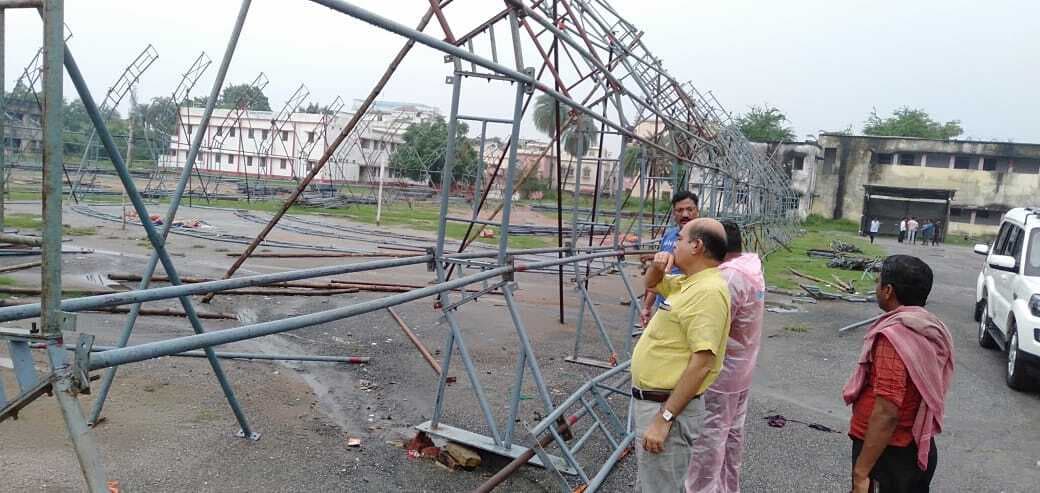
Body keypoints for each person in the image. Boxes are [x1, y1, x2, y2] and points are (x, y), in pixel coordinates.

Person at [633, 218, 731, 492]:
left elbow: (702, 364)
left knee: (661, 486)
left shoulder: (708, 292)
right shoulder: (688, 282)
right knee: (652, 484)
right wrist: (658, 265)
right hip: (654, 403)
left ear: (696, 246)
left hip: (666, 409)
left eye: (680, 239)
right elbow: (652, 285)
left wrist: (664, 419)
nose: (674, 244)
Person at [843, 255, 954, 493]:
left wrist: (861, 471)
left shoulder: (895, 337)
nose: (876, 287)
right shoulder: (927, 325)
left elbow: (887, 412)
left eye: (878, 282)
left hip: (890, 454)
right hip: (910, 448)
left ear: (888, 290)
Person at [687, 221, 765, 493]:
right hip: (741, 370)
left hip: (721, 375)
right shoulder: (751, 266)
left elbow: (711, 328)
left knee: (710, 440)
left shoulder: (729, 278)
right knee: (731, 436)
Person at [640, 191, 699, 327]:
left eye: (689, 209)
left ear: (697, 211)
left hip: (688, 308)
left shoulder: (705, 239)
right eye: (680, 210)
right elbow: (658, 273)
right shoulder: (669, 235)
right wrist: (647, 307)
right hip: (664, 305)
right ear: (674, 213)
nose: (685, 214)